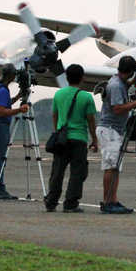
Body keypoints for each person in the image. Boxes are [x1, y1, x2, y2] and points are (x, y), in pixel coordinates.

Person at [97, 56, 136, 214]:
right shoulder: (115, 86)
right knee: (111, 166)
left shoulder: (119, 83)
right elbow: (118, 109)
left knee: (115, 166)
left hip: (113, 129)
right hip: (110, 129)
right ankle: (108, 202)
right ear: (131, 71)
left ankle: (112, 200)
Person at [45, 64, 98, 213]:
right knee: (78, 172)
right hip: (79, 138)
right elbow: (91, 120)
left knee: (57, 171)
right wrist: (94, 139)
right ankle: (70, 203)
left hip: (62, 139)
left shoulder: (59, 94)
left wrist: (57, 131)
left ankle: (51, 201)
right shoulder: (86, 97)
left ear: (66, 78)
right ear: (82, 78)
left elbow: (54, 115)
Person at [0, 63, 28, 200]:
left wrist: (17, 98)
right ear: (10, 76)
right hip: (0, 126)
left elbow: (4, 104)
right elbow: (1, 111)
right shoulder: (3, 90)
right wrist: (19, 110)